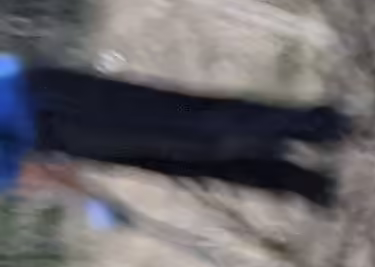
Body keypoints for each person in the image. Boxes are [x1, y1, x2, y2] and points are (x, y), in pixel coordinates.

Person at [0, 50, 349, 208]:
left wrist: (90, 199)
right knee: (179, 152)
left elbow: (34, 174)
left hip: (47, 108)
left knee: (186, 131)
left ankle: (318, 128)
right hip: (48, 110)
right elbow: (34, 172)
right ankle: (307, 178)